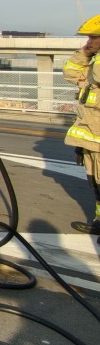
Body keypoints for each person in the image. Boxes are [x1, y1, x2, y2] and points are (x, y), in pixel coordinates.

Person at [63, 13, 100, 238]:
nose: (89, 41)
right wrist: (86, 53)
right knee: (96, 184)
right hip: (92, 137)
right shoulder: (93, 61)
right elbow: (70, 73)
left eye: (93, 38)